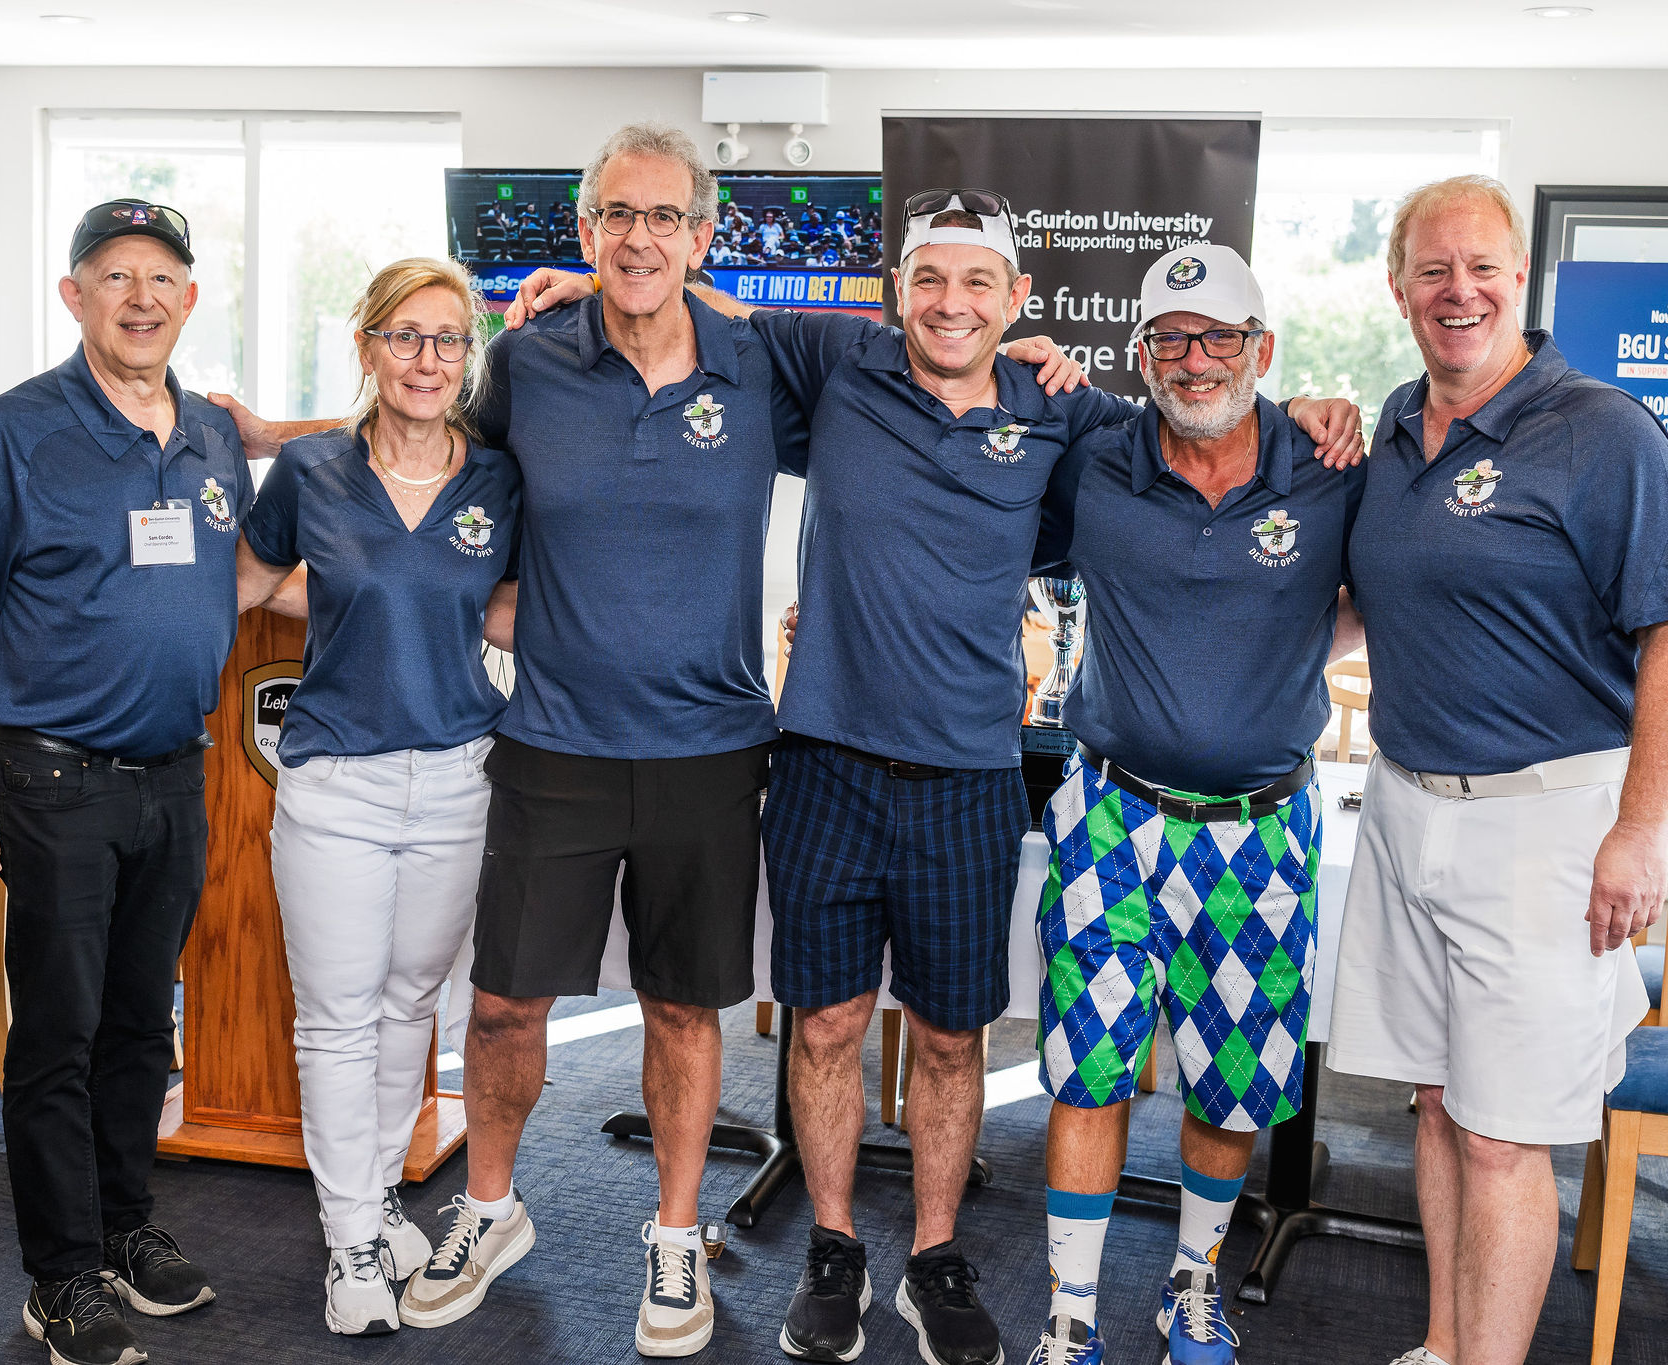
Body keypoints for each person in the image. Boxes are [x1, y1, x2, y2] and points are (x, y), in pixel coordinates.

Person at [509, 196, 1362, 1365]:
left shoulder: (1063, 412)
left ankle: (935, 1256)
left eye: (976, 283)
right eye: (928, 279)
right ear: (896, 288)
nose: (950, 303)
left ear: (1017, 300)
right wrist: (594, 283)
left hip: (968, 774)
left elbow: (1202, 417)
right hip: (823, 761)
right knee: (825, 1026)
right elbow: (703, 313)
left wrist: (1307, 409)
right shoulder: (836, 361)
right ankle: (831, 1245)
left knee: (955, 1037)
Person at [220, 121, 808, 1359]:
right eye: (615, 215)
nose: (637, 238)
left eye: (664, 217)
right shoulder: (529, 359)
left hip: (708, 744)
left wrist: (1036, 369)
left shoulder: (762, 363)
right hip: (547, 740)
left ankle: (674, 1238)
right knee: (498, 1007)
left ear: (702, 236)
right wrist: (267, 438)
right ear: (584, 230)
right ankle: (487, 1212)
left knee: (681, 1011)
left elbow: (917, 392)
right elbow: (410, 425)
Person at [1325, 175, 1668, 1365]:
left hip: (1544, 828)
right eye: (1432, 270)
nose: (1460, 292)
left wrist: (1638, 833)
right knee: (1438, 1106)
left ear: (1520, 280)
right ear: (1396, 288)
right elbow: (1360, 603)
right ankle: (1443, 1348)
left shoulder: (1602, 432)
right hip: (1403, 807)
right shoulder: (1394, 425)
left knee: (1503, 1137)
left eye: (1481, 267)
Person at [1023, 245, 1365, 1365]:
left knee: (1233, 1080)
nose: (1194, 358)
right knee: (1089, 1065)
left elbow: (1378, 596)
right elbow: (969, 386)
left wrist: (1290, 641)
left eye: (1219, 336)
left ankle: (1191, 1285)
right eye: (1169, 338)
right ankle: (1071, 1313)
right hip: (1110, 817)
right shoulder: (1096, 456)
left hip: (1263, 828)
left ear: (1261, 349)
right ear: (1141, 355)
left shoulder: (1330, 468)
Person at [0, 199, 245, 1365]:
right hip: (56, 781)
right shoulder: (10, 434)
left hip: (176, 777)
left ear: (188, 299)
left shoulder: (208, 435)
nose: (140, 298)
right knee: (58, 1034)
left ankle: (122, 1228)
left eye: (161, 278)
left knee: (142, 1025)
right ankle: (59, 1277)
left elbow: (233, 580)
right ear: (75, 295)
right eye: (115, 276)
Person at [233, 257, 521, 1337]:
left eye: (447, 340)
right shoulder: (310, 470)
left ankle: (382, 1199)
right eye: (405, 336)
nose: (427, 359)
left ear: (467, 357)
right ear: (367, 346)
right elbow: (241, 584)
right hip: (336, 781)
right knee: (339, 1018)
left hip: (457, 778)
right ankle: (350, 1237)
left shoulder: (496, 481)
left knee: (411, 1006)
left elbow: (502, 609)